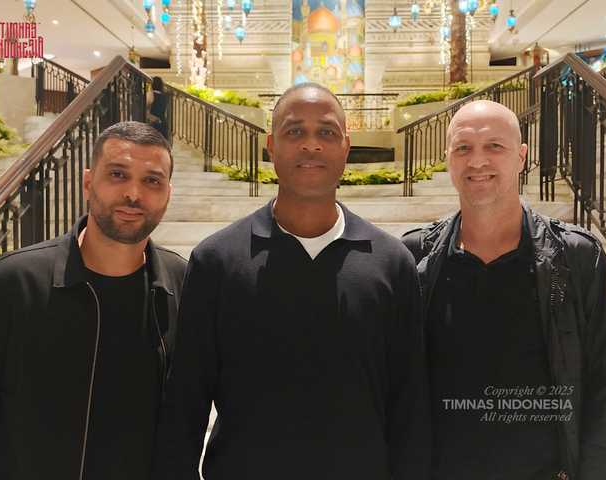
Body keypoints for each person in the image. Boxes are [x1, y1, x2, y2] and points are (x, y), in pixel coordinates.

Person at [152, 82, 429, 480]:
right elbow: (186, 403)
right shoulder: (216, 260)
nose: (311, 144)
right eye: (295, 131)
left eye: (326, 132)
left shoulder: (392, 263)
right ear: (271, 146)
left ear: (346, 147)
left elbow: (409, 406)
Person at [0, 121, 187, 480]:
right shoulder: (12, 283)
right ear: (87, 183)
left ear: (167, 194)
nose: (134, 193)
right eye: (117, 174)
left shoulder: (181, 282)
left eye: (152, 181)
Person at [402, 100, 606, 480]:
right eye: (463, 147)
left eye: (494, 146)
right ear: (448, 158)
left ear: (521, 157)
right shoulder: (413, 257)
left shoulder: (576, 257)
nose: (477, 160)